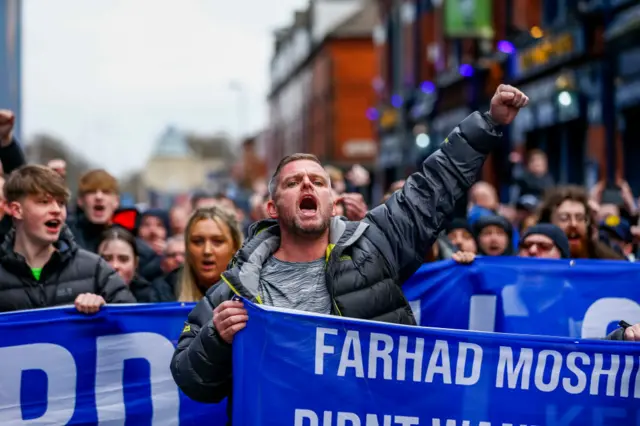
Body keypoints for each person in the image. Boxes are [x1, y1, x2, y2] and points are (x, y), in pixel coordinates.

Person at [170, 85, 529, 414]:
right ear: (273, 209)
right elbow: (189, 378)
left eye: (318, 181)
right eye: (293, 183)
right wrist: (216, 336)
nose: (307, 184)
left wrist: (489, 122)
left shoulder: (375, 244)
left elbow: (431, 187)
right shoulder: (236, 288)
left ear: (331, 202)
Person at [0, 164, 136, 313]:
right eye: (44, 202)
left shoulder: (95, 269)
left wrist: (106, 310)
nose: (57, 210)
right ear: (16, 210)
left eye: (61, 203)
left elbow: (135, 324)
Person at [175, 206, 243, 302]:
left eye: (217, 241)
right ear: (187, 246)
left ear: (235, 247)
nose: (207, 251)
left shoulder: (258, 295)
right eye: (198, 241)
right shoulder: (165, 292)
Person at [98, 227, 154, 302]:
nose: (115, 266)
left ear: (135, 263)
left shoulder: (152, 297)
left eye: (123, 259)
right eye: (106, 259)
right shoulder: (82, 293)